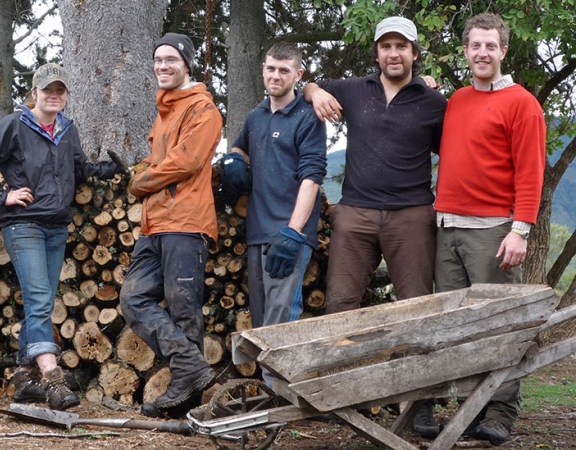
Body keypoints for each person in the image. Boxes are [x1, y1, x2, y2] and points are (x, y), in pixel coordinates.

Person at [0, 63, 120, 411]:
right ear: (34, 93)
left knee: (43, 304)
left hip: (56, 226)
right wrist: (2, 196)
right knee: (38, 301)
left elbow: (78, 169)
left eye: (60, 90)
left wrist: (100, 171)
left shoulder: (67, 129)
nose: (53, 95)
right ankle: (54, 380)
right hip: (24, 225)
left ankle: (23, 379)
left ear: (65, 95)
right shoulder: (16, 126)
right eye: (47, 89)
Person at [422, 13, 546, 445]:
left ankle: (500, 412)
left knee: (497, 325)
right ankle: (470, 409)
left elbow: (531, 174)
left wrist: (521, 230)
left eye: (490, 46)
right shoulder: (456, 100)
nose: (482, 53)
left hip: (493, 231)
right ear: (465, 50)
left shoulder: (522, 103)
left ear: (503, 50)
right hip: (446, 227)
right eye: (475, 45)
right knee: (458, 329)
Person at [302, 17, 446, 314]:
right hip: (355, 214)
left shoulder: (434, 101)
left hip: (411, 217)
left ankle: (410, 361)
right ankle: (344, 362)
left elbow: (449, 152)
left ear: (414, 53)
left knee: (416, 306)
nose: (393, 53)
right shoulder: (355, 89)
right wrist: (315, 92)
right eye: (386, 46)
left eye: (401, 46)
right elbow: (310, 85)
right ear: (377, 53)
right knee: (340, 304)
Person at [119, 32, 223, 413]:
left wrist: (142, 180)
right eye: (158, 60)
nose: (163, 66)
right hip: (154, 224)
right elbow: (156, 158)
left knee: (184, 309)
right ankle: (192, 366)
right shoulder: (164, 111)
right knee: (132, 298)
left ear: (186, 64)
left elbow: (186, 162)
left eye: (171, 60)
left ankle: (187, 400)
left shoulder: (204, 110)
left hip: (186, 221)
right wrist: (148, 170)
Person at [227, 42, 326, 387]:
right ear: (263, 70)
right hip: (256, 230)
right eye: (270, 68)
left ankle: (280, 395)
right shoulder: (255, 117)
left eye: (284, 70)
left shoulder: (307, 117)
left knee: (281, 320)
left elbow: (312, 176)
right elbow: (238, 145)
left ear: (298, 74)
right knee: (261, 320)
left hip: (287, 234)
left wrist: (294, 232)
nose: (275, 75)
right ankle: (271, 394)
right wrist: (235, 159)